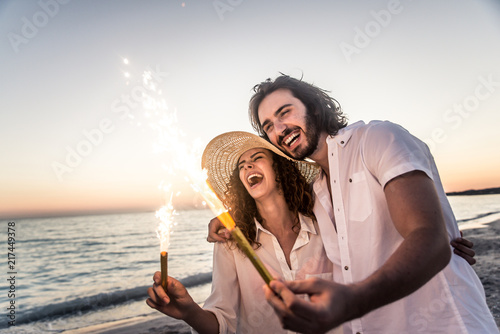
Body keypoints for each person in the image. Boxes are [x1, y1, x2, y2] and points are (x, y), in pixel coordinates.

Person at [207, 75, 497, 333]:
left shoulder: (378, 139)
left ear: (315, 107)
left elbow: (429, 238)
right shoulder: (316, 193)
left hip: (445, 323)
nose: (279, 128)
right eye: (269, 126)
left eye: (285, 112)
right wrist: (230, 217)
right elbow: (277, 210)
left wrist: (355, 301)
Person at [147, 131, 342, 333]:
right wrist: (189, 311)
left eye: (257, 158)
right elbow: (222, 323)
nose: (247, 166)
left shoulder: (324, 220)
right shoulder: (230, 241)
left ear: (281, 168)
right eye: (242, 166)